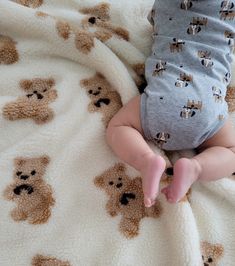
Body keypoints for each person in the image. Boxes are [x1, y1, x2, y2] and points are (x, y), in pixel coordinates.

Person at [106, 0, 235, 207]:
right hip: (208, 107)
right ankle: (196, 169)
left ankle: (146, 161)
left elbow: (154, 20)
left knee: (119, 127)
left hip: (162, 100)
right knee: (230, 150)